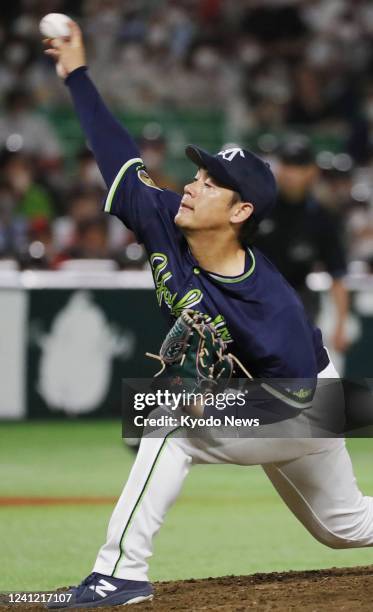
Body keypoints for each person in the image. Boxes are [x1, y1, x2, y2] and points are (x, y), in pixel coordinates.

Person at [44, 22, 373, 609]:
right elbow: (116, 153)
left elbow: (299, 400)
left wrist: (211, 402)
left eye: (212, 184)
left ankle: (119, 576)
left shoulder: (267, 299)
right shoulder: (163, 218)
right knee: (343, 528)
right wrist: (77, 73)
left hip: (305, 400)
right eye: (198, 174)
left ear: (241, 210)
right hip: (274, 396)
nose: (193, 187)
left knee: (168, 422)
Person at [256, 139, 350, 352]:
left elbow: (337, 273)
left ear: (311, 171)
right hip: (252, 296)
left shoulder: (322, 218)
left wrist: (341, 324)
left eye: (298, 166)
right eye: (286, 164)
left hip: (296, 300)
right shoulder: (259, 206)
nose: (291, 173)